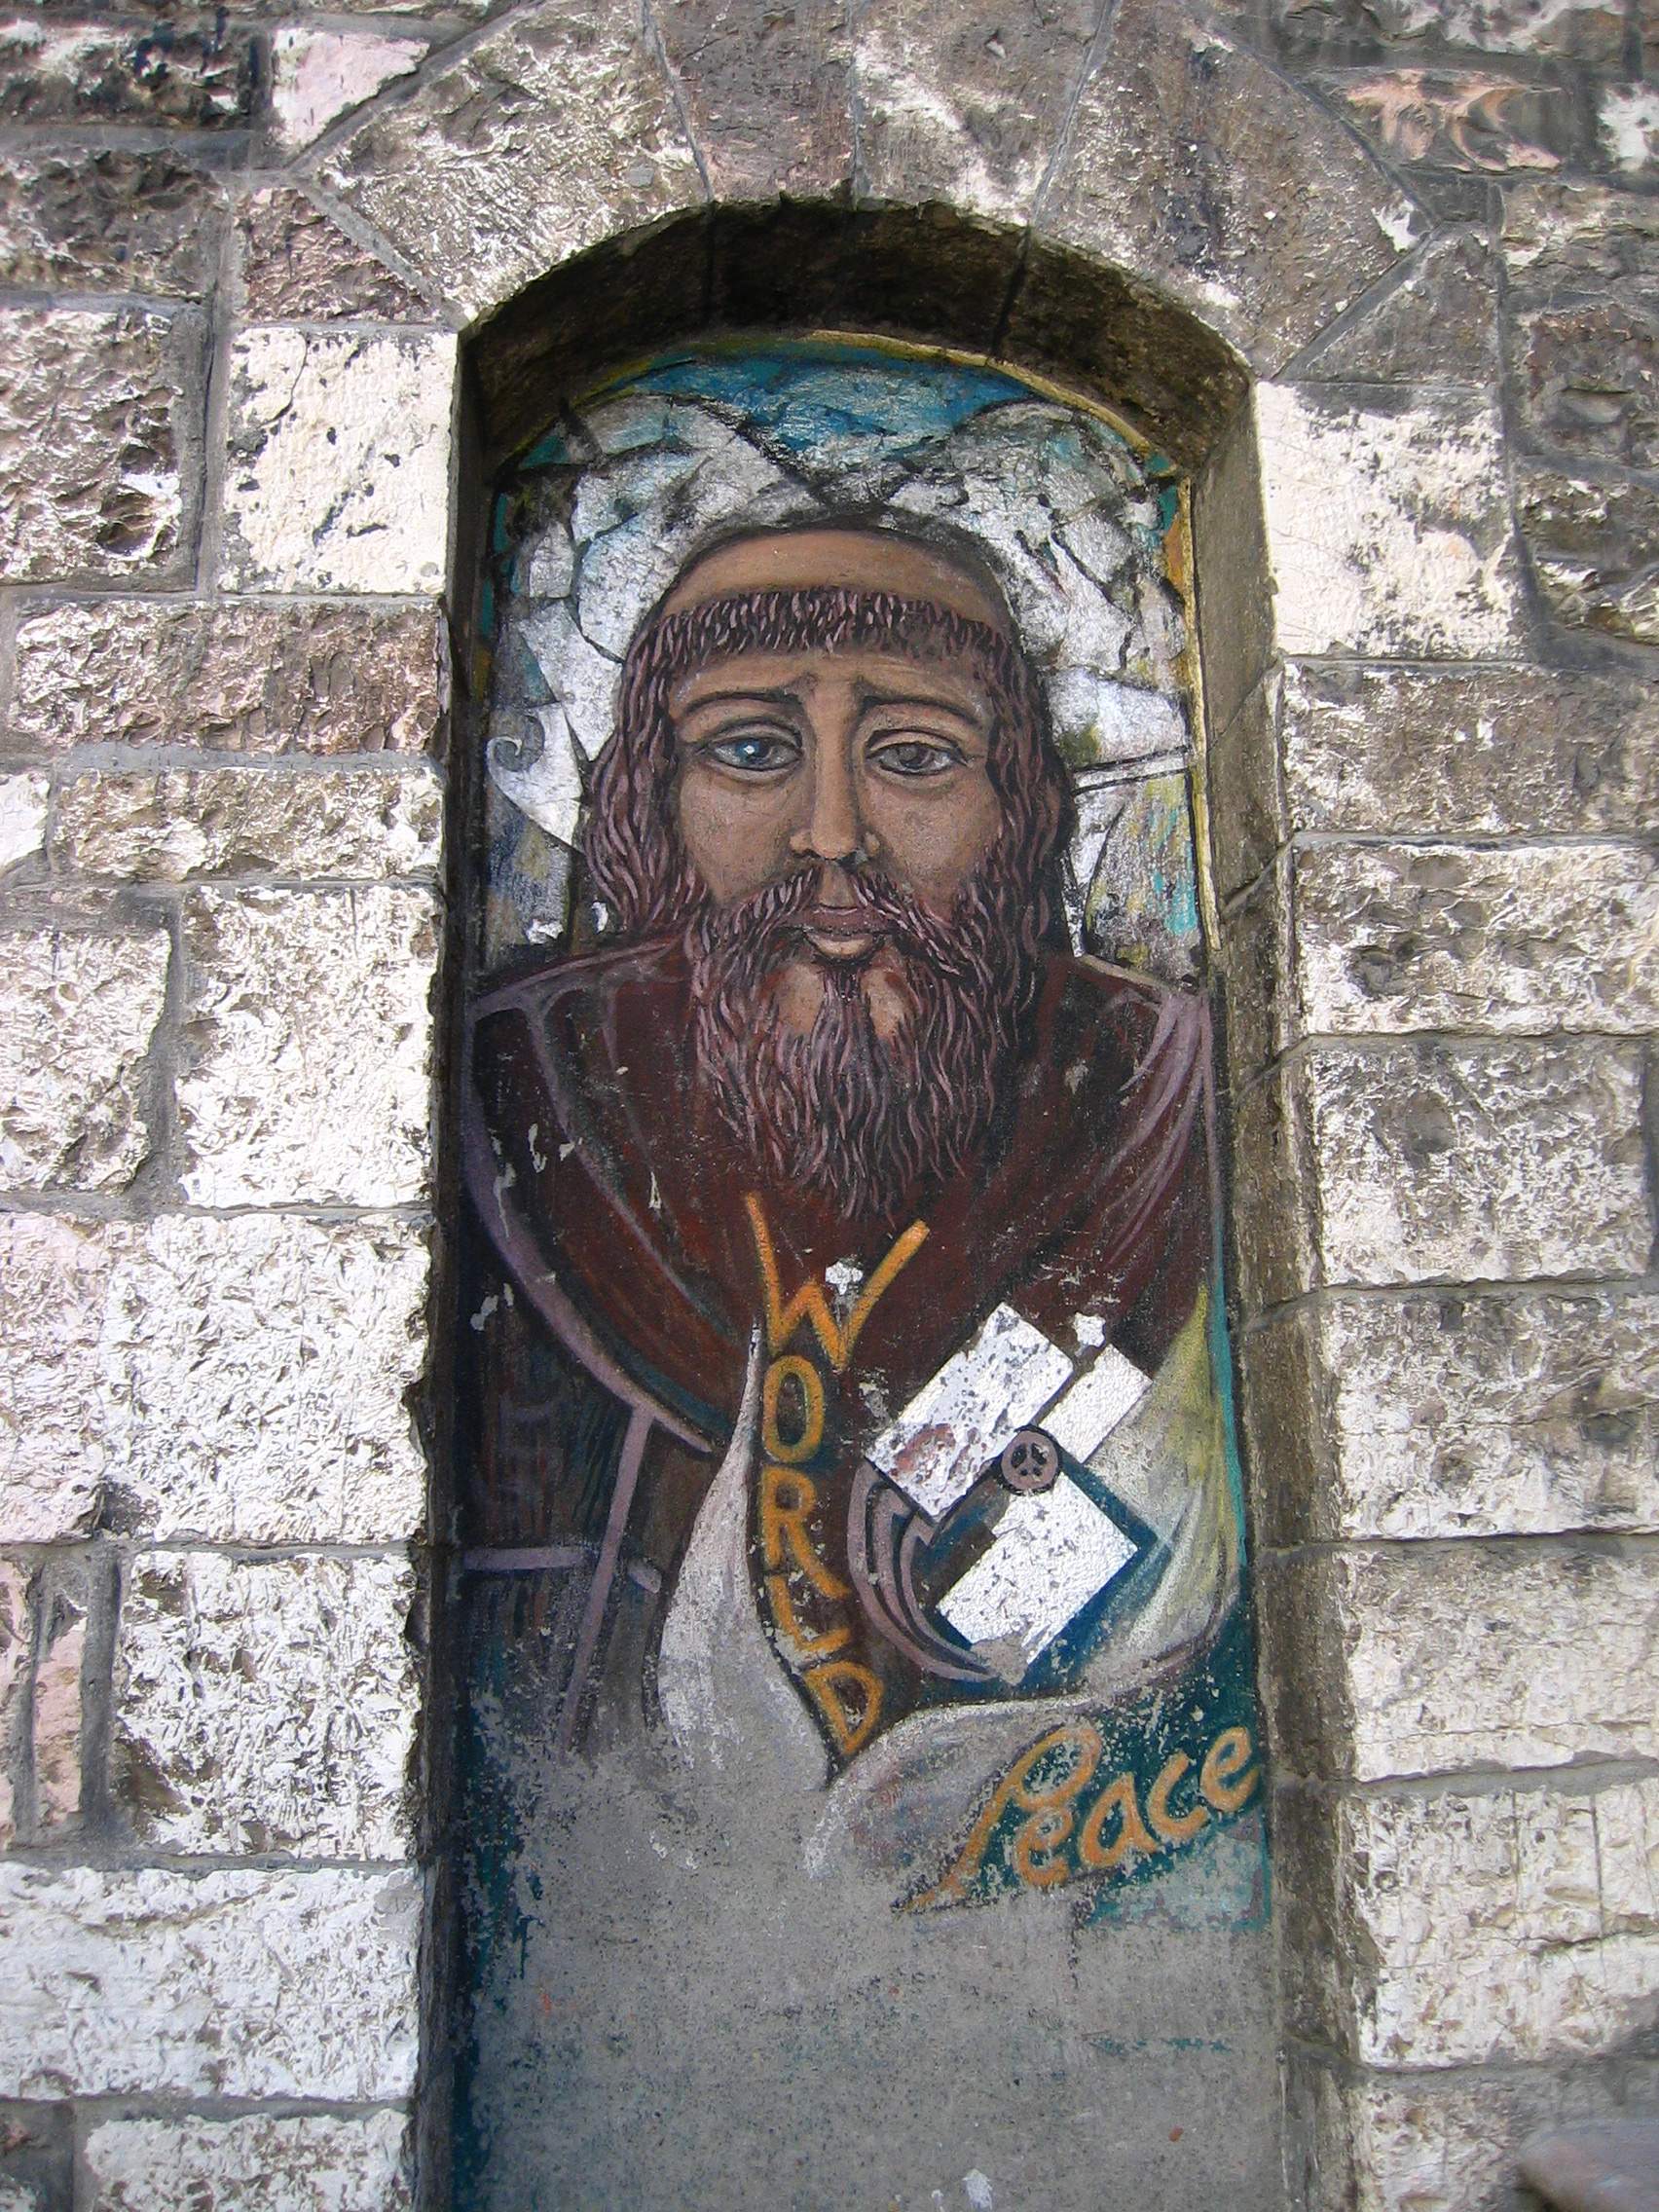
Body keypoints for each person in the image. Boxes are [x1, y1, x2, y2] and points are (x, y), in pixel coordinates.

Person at [462, 523, 1236, 1798]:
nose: (830, 836)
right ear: (654, 806)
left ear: (1018, 811)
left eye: (915, 757)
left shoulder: (1141, 1093)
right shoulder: (538, 1095)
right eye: (750, 751)